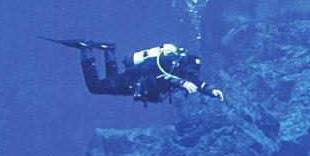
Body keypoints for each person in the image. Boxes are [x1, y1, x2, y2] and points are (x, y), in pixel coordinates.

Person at [51, 38, 224, 103]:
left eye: (194, 72)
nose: (193, 74)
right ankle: (85, 49)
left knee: (111, 84)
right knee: (95, 87)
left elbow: (198, 84)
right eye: (192, 71)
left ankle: (109, 51)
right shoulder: (171, 66)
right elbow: (160, 76)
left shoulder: (183, 71)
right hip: (134, 81)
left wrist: (212, 91)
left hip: (135, 84)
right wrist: (180, 82)